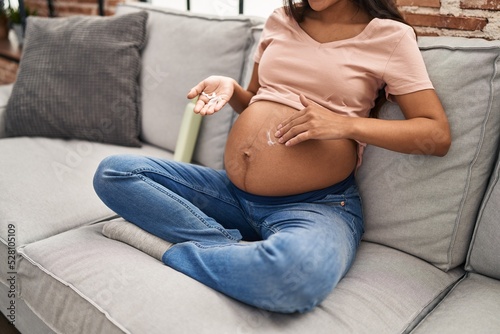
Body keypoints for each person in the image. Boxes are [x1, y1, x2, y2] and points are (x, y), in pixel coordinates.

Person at [93, 0, 451, 314]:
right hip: (231, 195)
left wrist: (344, 125)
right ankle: (226, 247)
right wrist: (231, 89)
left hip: (317, 206)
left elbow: (435, 135)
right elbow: (256, 99)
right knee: (114, 173)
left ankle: (170, 249)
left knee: (292, 276)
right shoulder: (281, 19)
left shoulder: (390, 37)